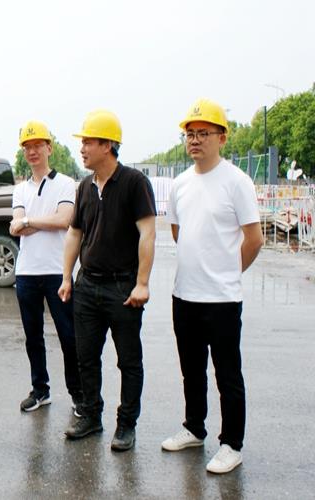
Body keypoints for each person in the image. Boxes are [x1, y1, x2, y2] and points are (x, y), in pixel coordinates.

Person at [161, 99, 264, 474]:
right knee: (191, 370)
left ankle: (231, 444)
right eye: (189, 134)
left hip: (222, 299)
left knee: (227, 375)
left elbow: (254, 238)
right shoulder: (180, 184)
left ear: (222, 137)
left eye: (203, 133)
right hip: (184, 294)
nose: (195, 140)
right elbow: (179, 232)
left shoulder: (237, 182)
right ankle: (194, 428)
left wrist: (228, 272)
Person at [58, 110, 156, 451]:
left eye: (88, 142)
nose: (82, 148)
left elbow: (147, 233)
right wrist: (67, 277)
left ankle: (126, 424)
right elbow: (75, 233)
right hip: (87, 286)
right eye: (83, 142)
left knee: (128, 360)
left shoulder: (134, 183)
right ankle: (90, 415)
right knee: (85, 357)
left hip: (122, 287)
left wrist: (142, 283)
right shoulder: (84, 187)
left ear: (108, 145)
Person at [10, 120, 83, 414]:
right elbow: (15, 227)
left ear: (49, 148)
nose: (32, 151)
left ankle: (79, 395)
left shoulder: (65, 183)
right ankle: (40, 390)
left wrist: (28, 221)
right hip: (27, 272)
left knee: (69, 336)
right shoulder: (20, 189)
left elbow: (64, 220)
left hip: (56, 271)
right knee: (33, 337)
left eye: (38, 145)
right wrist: (35, 222)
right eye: (27, 147)